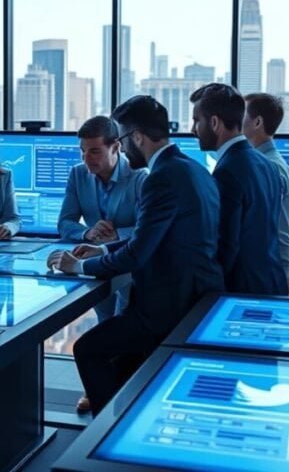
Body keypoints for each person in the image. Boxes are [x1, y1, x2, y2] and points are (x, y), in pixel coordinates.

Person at [49, 95, 223, 416]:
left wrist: (80, 266)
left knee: (88, 350)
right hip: (196, 297)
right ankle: (124, 420)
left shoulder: (160, 178)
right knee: (119, 363)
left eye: (122, 140)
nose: (124, 149)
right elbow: (152, 240)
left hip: (168, 307)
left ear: (137, 138)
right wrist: (103, 248)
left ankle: (105, 436)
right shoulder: (193, 169)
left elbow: (138, 254)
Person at [57, 115, 147, 413]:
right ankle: (100, 393)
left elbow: (147, 231)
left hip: (129, 267)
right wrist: (88, 232)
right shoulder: (77, 175)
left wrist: (115, 235)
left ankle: (122, 401)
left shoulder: (140, 177)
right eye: (82, 151)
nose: (86, 158)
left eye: (94, 151)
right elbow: (65, 223)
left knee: (121, 333)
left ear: (115, 148)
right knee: (103, 325)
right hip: (96, 268)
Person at [192, 83, 287, 296]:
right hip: (271, 283)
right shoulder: (267, 164)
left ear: (214, 122)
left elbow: (226, 246)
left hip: (243, 292)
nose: (193, 130)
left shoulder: (227, 172)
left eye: (197, 121)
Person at [243, 93, 289, 295]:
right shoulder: (275, 163)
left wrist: (287, 273)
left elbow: (280, 232)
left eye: (241, 115)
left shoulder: (268, 168)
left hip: (268, 277)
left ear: (258, 122)